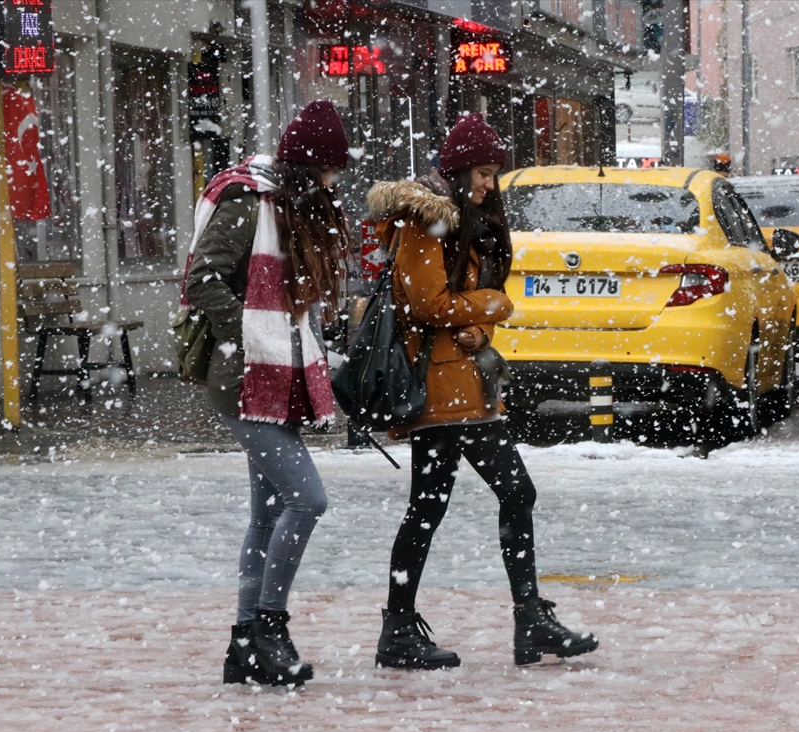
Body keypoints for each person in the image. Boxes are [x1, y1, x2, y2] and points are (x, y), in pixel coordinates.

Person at [365, 113, 599, 669]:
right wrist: (492, 307)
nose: (489, 185)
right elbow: (427, 304)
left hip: (462, 381)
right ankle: (523, 619)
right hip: (444, 389)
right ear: (459, 169)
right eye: (484, 173)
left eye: (494, 174)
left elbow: (458, 301)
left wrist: (480, 327)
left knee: (431, 505)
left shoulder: (464, 222)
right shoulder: (426, 222)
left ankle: (407, 626)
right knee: (511, 493)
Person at [184, 100, 353, 685]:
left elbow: (295, 302)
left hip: (278, 376)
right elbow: (201, 279)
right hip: (244, 376)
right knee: (308, 500)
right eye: (331, 169)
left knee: (268, 514)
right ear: (312, 166)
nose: (335, 181)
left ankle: (243, 645)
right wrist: (251, 334)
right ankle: (269, 627)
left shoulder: (290, 208)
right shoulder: (249, 204)